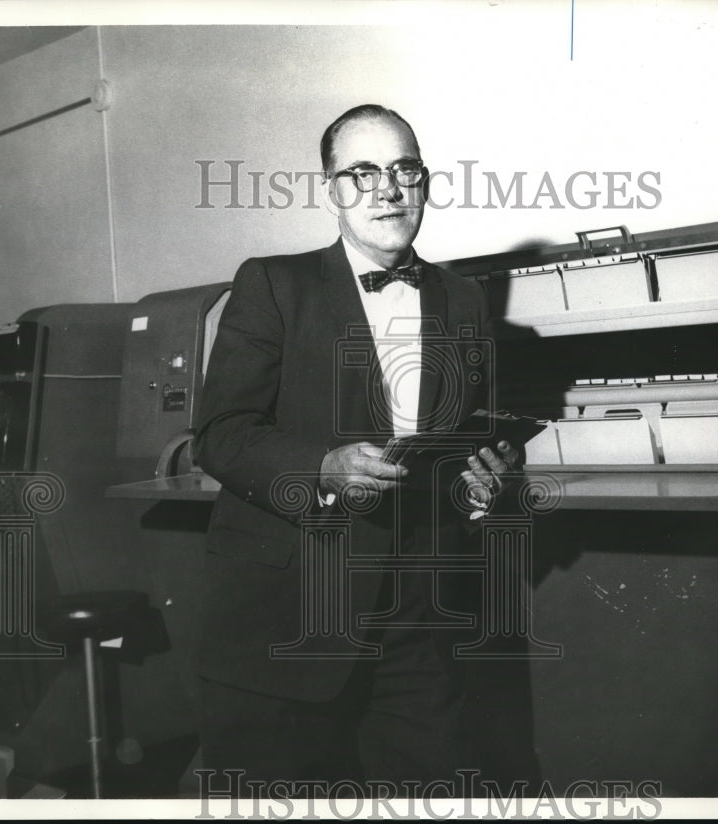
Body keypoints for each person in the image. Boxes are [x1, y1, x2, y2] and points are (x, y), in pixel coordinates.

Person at [193, 104, 518, 796]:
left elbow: (467, 434)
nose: (388, 191)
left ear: (425, 184)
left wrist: (484, 480)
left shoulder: (464, 299)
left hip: (414, 615)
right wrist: (322, 467)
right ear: (331, 191)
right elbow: (220, 433)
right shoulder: (273, 284)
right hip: (287, 613)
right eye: (362, 174)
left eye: (405, 172)